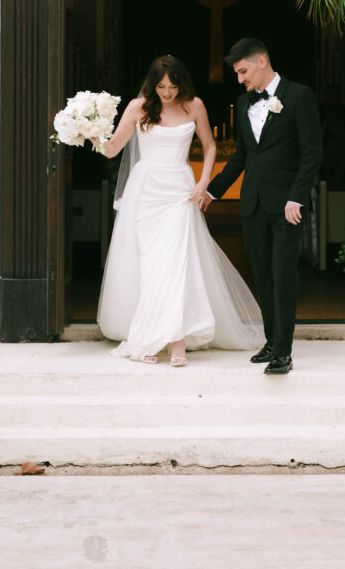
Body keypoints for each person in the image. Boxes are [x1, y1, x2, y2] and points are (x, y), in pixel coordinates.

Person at [94, 55, 264, 365]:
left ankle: (176, 342)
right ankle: (150, 335)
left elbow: (210, 145)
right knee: (151, 265)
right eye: (161, 87)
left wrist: (203, 182)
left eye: (173, 86)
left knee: (175, 263)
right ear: (152, 84)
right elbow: (113, 148)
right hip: (146, 193)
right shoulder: (138, 107)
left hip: (179, 191)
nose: (167, 93)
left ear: (181, 84)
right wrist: (88, 132)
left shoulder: (194, 105)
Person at [201, 39, 322, 375]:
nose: (240, 80)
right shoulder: (243, 103)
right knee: (263, 276)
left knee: (283, 274)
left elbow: (312, 152)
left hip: (287, 206)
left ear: (262, 61)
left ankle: (284, 351)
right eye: (237, 73)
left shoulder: (299, 96)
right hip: (252, 203)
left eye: (243, 71)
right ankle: (271, 342)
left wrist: (296, 197)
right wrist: (213, 192)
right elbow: (241, 156)